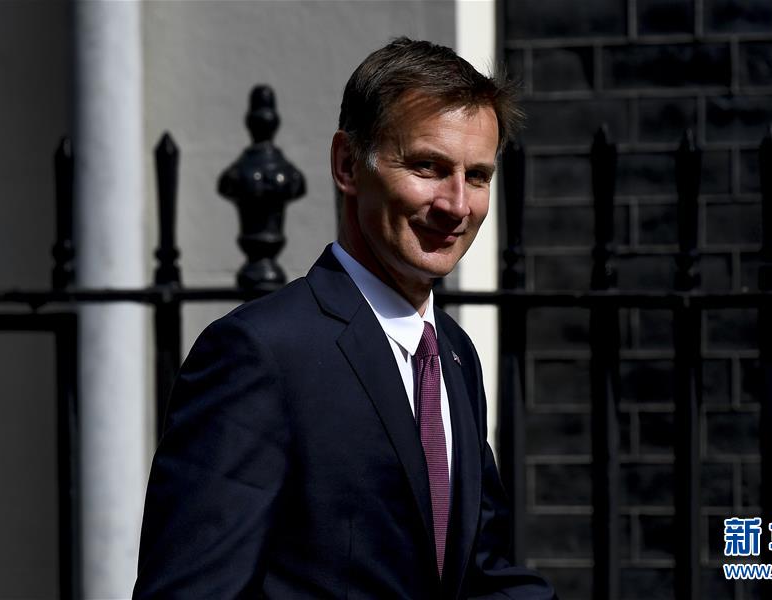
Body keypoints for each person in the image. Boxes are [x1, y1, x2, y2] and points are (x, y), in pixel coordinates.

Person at [133, 37, 557, 599]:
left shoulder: (455, 354)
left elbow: (478, 575)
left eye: (477, 176)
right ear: (348, 165)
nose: (457, 204)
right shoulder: (260, 354)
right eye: (427, 166)